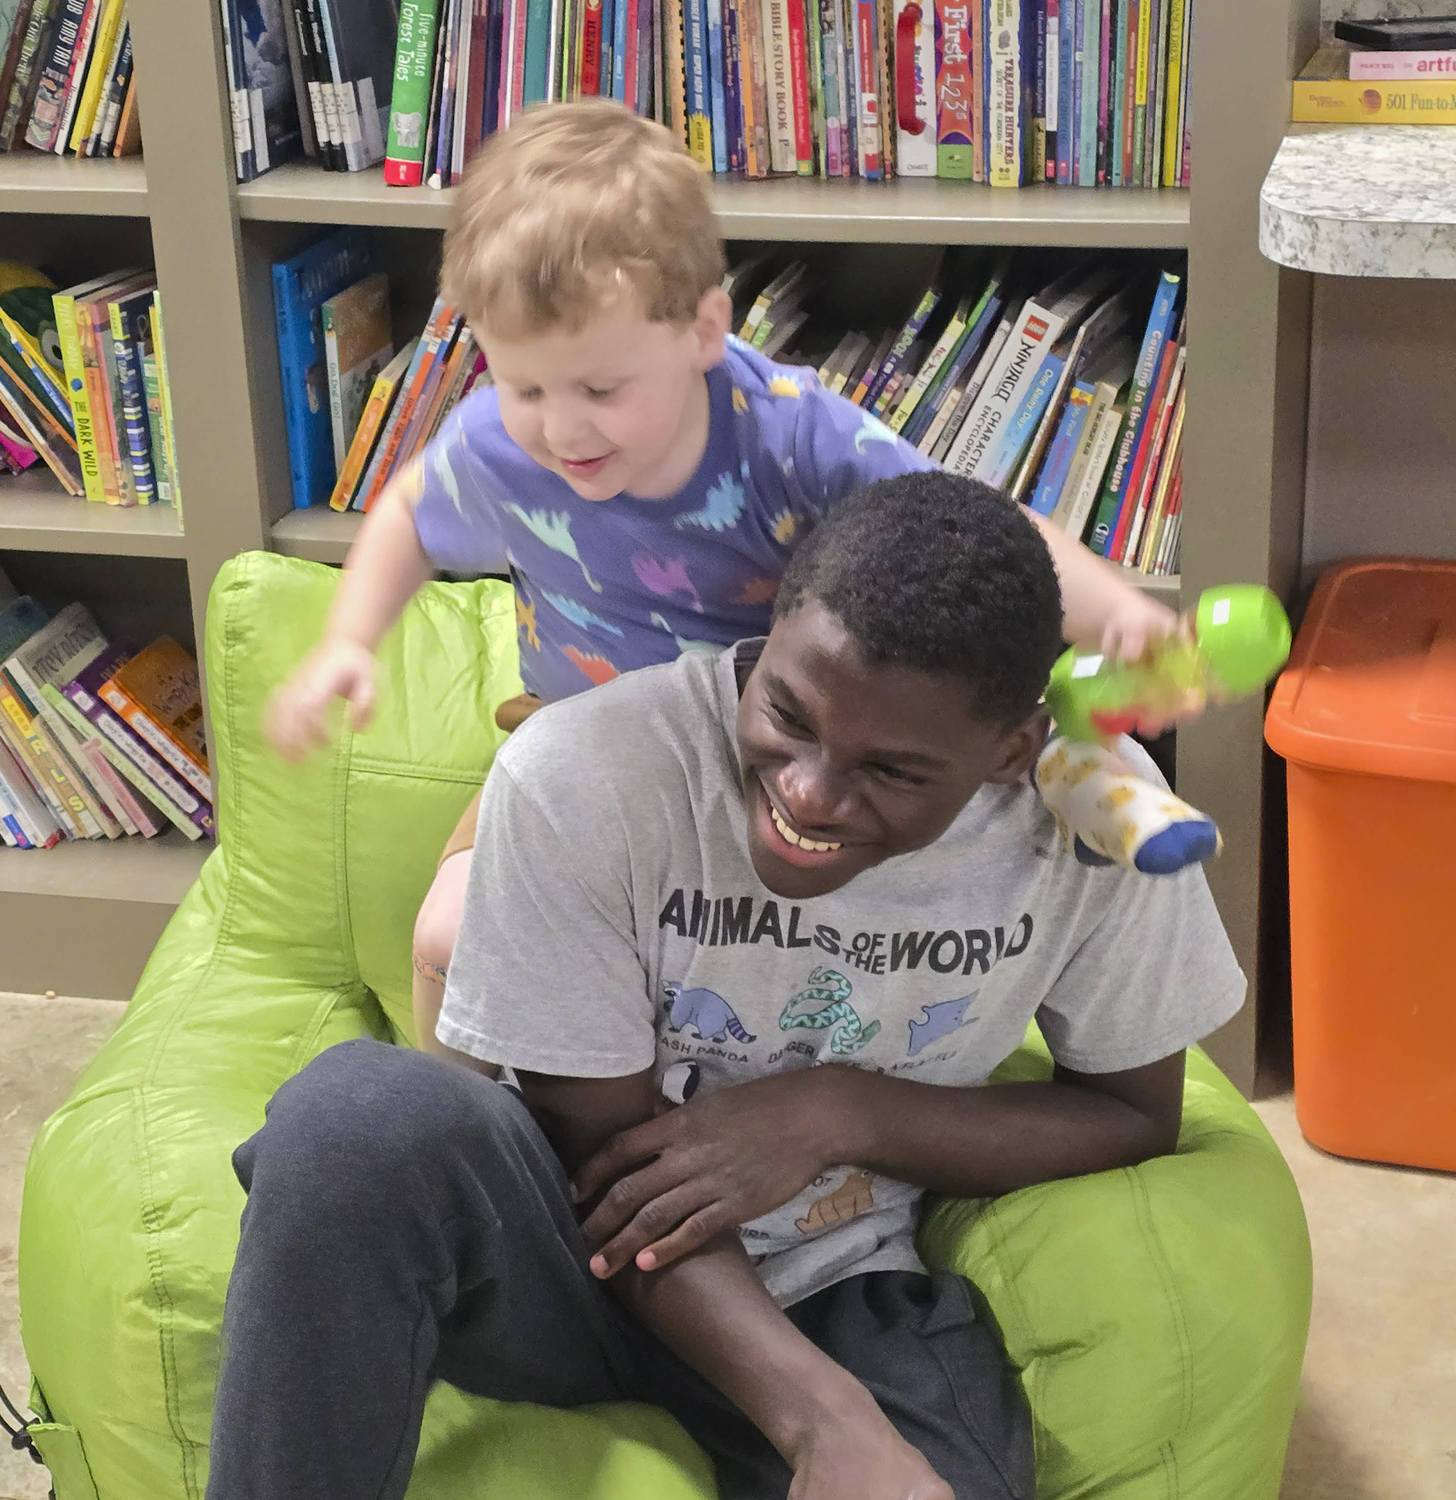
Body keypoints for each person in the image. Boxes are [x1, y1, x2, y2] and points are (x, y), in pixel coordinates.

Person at [209, 473, 1246, 1500]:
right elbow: (612, 1175)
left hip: (836, 1285)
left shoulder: (1102, 820)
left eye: (888, 771)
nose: (805, 792)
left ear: (1011, 751)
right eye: (786, 713)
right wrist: (823, 1420)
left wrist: (831, 1113)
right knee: (352, 1115)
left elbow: (1131, 1111)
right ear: (767, 631)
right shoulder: (586, 772)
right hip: (558, 1249)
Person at [261, 101, 1192, 1062]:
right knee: (448, 939)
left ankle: (1084, 771)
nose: (562, 431)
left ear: (706, 328)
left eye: (600, 389)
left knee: (1010, 729)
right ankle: (468, 1132)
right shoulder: (501, 446)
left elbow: (970, 528)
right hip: (578, 744)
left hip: (776, 746)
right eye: (524, 385)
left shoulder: (789, 434)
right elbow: (413, 511)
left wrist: (1119, 609)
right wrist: (349, 640)